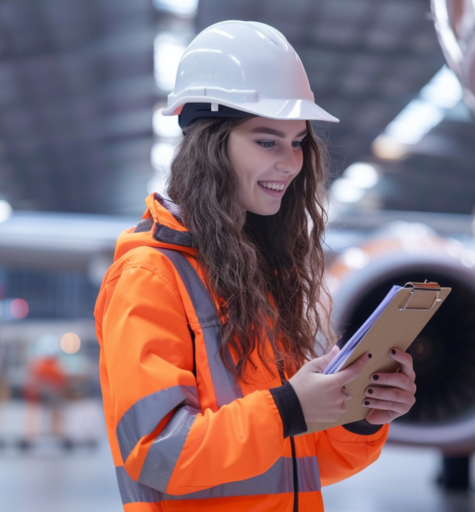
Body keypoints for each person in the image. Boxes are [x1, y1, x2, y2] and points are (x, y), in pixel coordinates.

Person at [95, 21, 417, 511]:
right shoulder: (150, 277)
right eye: (267, 141)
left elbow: (297, 462)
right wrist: (289, 408)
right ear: (211, 149)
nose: (291, 163)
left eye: (297, 142)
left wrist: (359, 415)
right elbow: (160, 455)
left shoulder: (258, 275)